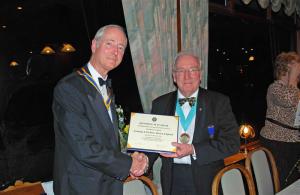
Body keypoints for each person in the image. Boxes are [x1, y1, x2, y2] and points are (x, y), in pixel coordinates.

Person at [52, 24, 148, 195]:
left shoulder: (107, 87)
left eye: (121, 47)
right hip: (81, 187)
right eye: (109, 44)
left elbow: (105, 139)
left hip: (108, 184)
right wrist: (128, 163)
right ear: (94, 45)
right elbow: (83, 146)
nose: (115, 51)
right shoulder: (69, 88)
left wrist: (134, 156)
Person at [148, 51, 240, 195]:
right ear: (174, 76)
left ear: (200, 74)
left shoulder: (218, 102)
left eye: (193, 70)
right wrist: (143, 160)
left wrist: (193, 149)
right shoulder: (160, 104)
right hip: (172, 180)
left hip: (208, 179)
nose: (187, 76)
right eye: (181, 70)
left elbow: (232, 143)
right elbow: (153, 142)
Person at [260, 51, 300, 188]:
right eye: (296, 67)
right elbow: (288, 100)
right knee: (284, 183)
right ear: (286, 68)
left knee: (294, 182)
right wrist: (293, 77)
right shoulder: (274, 88)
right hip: (277, 142)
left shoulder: (294, 89)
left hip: (293, 141)